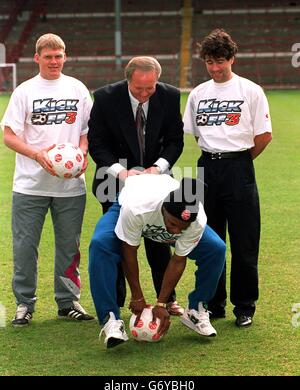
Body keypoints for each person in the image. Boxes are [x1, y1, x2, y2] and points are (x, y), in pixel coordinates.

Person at [1, 33, 94, 327]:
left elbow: (87, 130)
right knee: (25, 246)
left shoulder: (77, 89)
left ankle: (68, 302)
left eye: (59, 55)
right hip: (29, 185)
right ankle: (24, 304)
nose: (54, 61)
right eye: (49, 56)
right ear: (37, 58)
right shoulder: (24, 91)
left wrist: (81, 153)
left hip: (70, 186)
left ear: (65, 56)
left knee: (69, 246)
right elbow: (8, 135)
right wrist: (37, 155)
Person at [183, 28, 272, 327]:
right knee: (209, 238)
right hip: (207, 168)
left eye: (220, 60)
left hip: (239, 167)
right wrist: (217, 159)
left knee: (245, 241)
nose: (215, 67)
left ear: (232, 58)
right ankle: (213, 302)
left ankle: (245, 305)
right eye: (209, 61)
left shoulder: (250, 90)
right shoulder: (198, 94)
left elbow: (264, 135)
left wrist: (240, 162)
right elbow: (196, 134)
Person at [88, 56, 185, 315]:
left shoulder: (170, 96)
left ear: (157, 80)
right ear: (127, 79)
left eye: (150, 88)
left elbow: (176, 140)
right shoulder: (106, 98)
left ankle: (168, 298)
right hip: (115, 182)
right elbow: (97, 144)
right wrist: (123, 173)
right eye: (138, 88)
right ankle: (119, 302)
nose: (144, 94)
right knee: (118, 241)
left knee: (159, 241)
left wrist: (158, 168)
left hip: (156, 182)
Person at [89, 174, 226, 348]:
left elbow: (178, 260)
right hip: (129, 201)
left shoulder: (195, 221)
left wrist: (161, 303)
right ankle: (110, 319)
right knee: (100, 244)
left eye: (182, 228)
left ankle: (195, 310)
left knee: (215, 249)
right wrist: (137, 296)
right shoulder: (137, 208)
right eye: (173, 224)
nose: (176, 232)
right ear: (164, 210)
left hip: (158, 212)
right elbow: (129, 251)